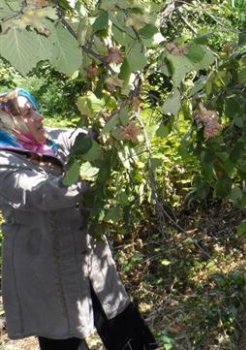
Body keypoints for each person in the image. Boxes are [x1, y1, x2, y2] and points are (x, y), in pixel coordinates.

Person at [0, 89, 158, 350]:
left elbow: (81, 138)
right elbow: (44, 194)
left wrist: (110, 125)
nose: (39, 116)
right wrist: (89, 175)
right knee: (62, 339)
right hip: (45, 270)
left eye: (35, 108)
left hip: (89, 256)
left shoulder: (49, 138)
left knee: (121, 321)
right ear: (10, 125)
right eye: (28, 113)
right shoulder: (4, 162)